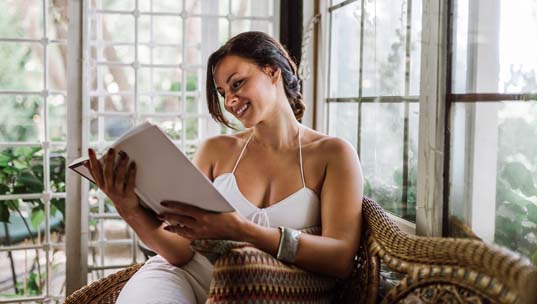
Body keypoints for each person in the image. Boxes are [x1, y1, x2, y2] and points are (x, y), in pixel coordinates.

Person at [85, 31, 364, 303]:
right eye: (222, 92)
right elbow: (180, 253)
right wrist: (129, 209)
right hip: (181, 277)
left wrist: (242, 229)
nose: (230, 101)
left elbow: (340, 259)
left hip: (263, 290)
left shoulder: (334, 154)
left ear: (272, 72)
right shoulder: (216, 151)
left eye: (237, 83)